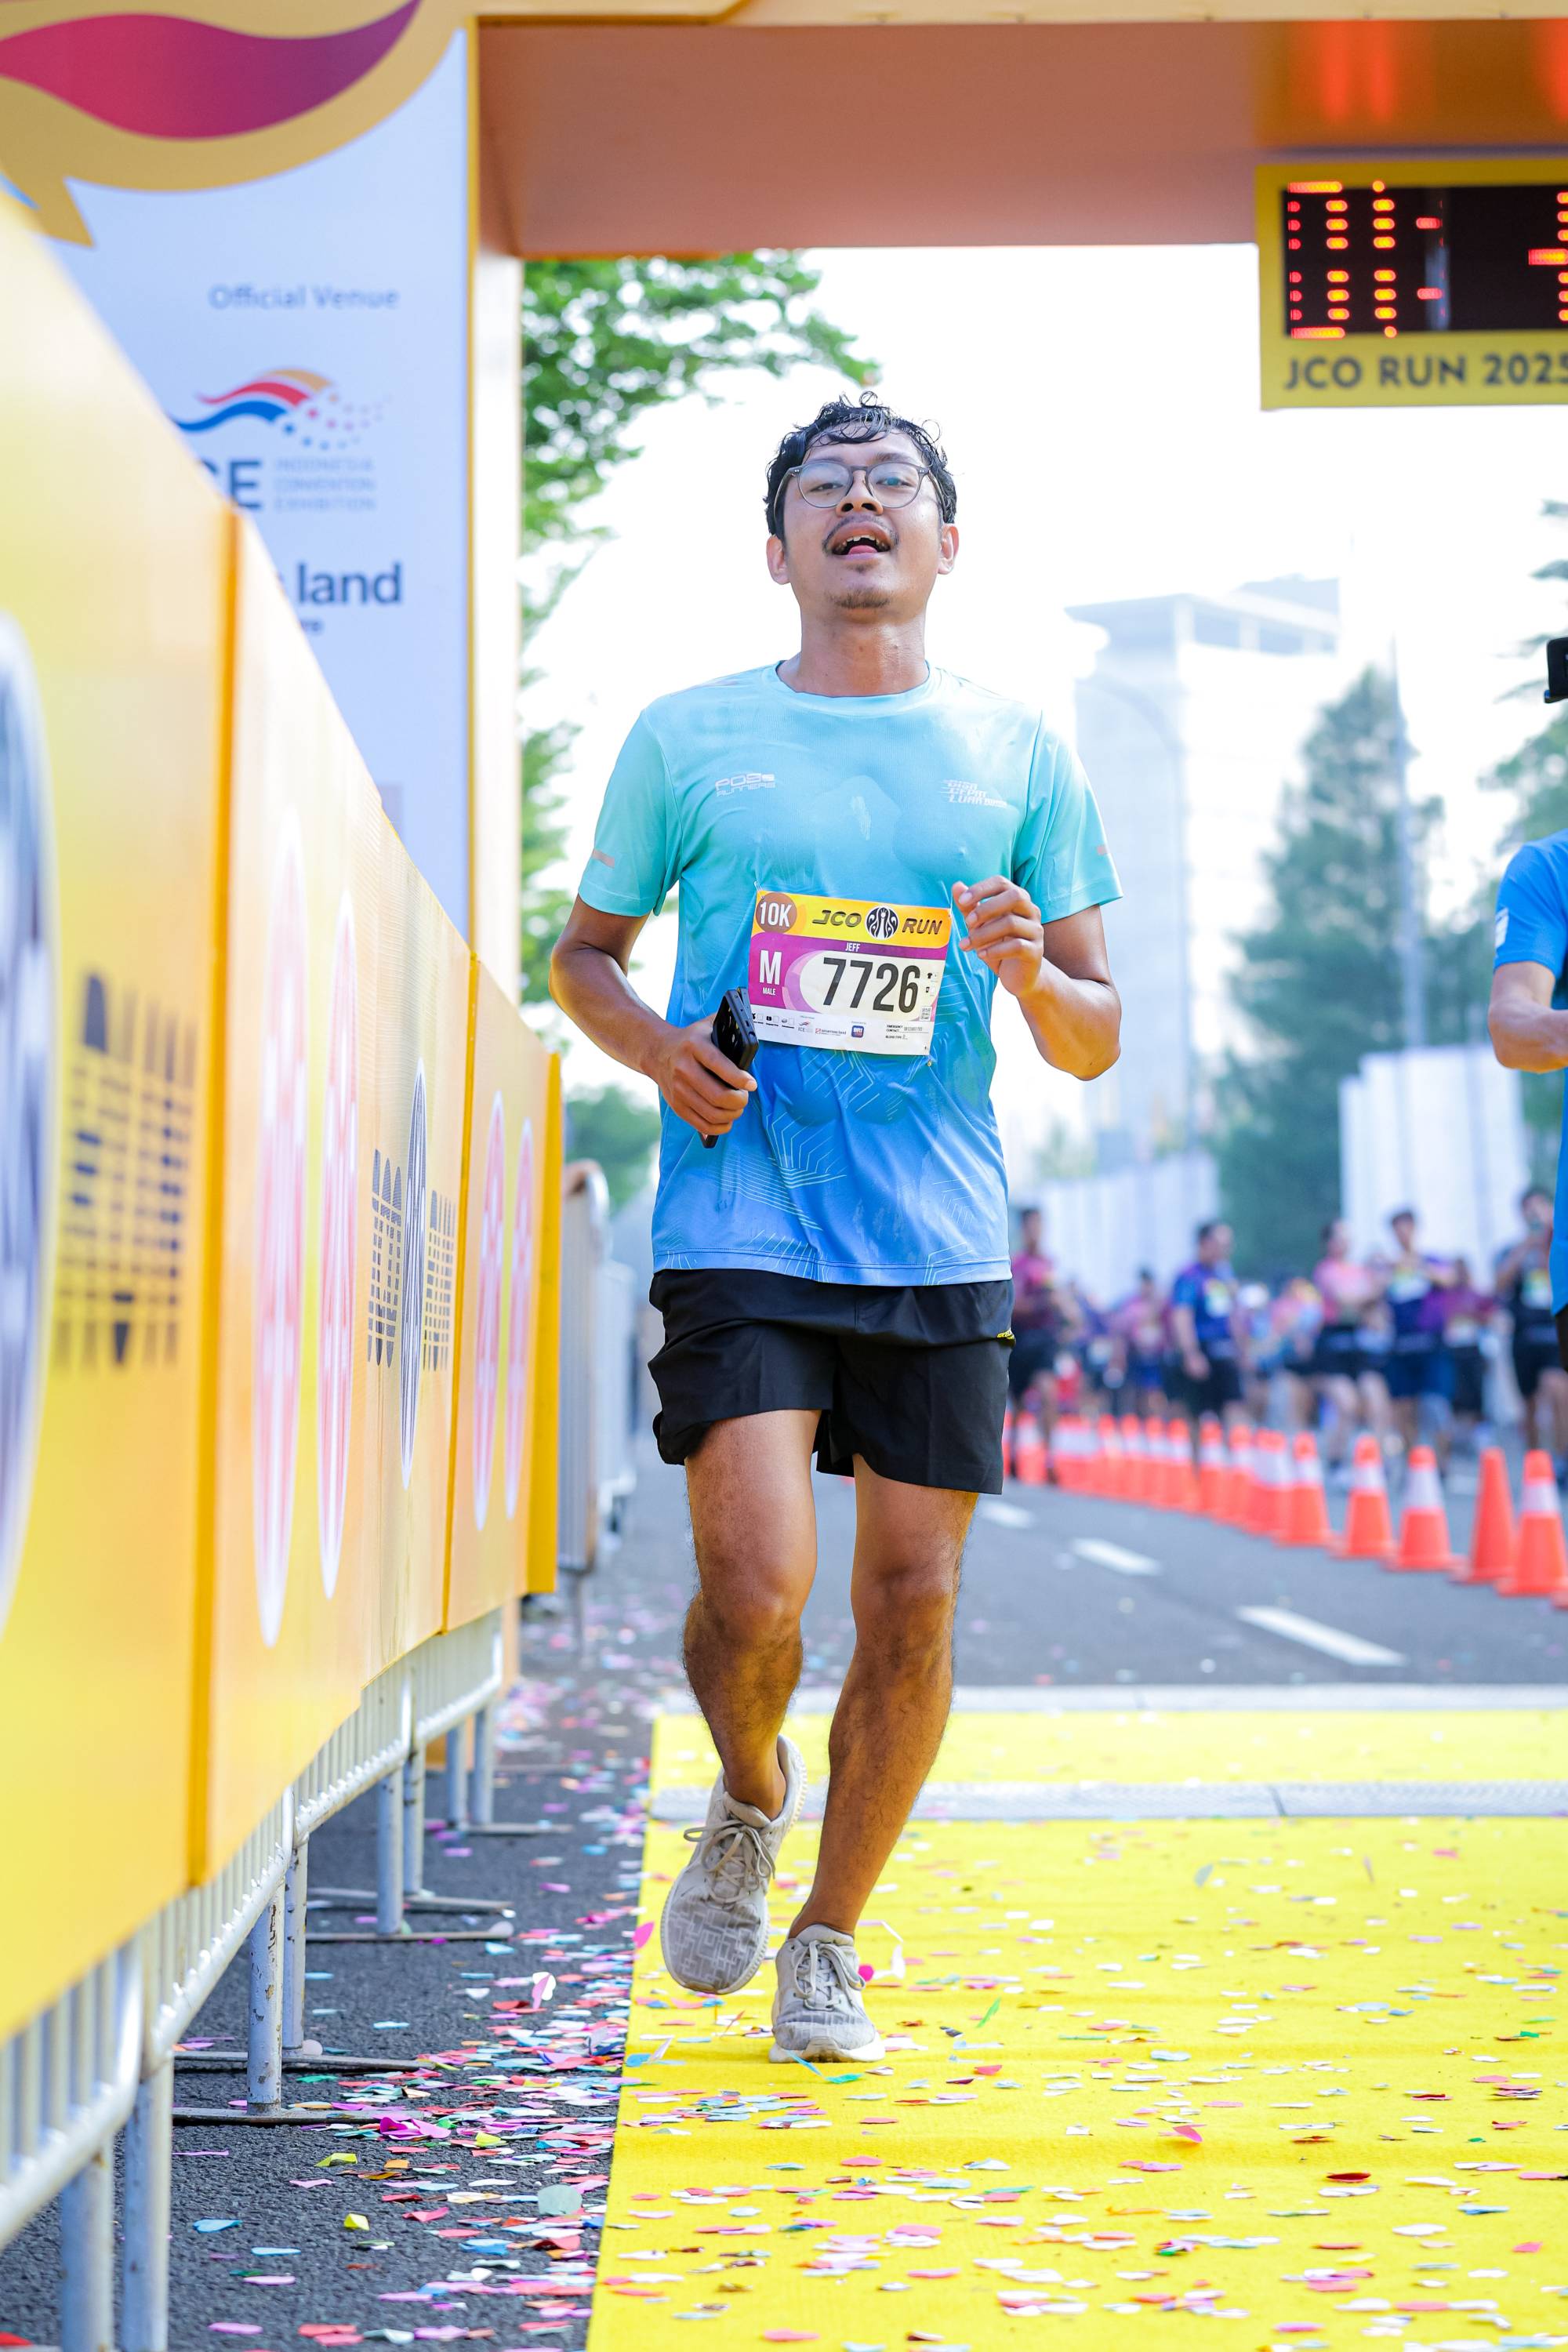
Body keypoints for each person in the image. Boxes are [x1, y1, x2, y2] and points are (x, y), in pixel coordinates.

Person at [549, 395, 1123, 2061]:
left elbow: (1097, 1031)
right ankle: (748, 1790)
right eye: (825, 485)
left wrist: (1029, 974)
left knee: (912, 1600)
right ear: (778, 547)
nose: (858, 503)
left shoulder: (1020, 751)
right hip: (741, 1210)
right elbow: (584, 955)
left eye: (891, 484)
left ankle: (829, 1938)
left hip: (936, 1232)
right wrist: (656, 1048)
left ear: (947, 541)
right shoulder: (688, 736)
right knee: (752, 1587)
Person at [1494, 1189, 1568, 1466]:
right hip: (1524, 1336)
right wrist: (1527, 1245)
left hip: (1555, 1332)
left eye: (1540, 1207)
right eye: (1528, 1209)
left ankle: (1562, 1457)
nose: (1534, 1214)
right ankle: (1535, 1462)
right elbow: (1499, 1285)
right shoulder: (1512, 1250)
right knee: (1530, 1404)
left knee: (1557, 1391)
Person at [1309, 1218, 1390, 1468]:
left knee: (1377, 1401)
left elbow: (1375, 1312)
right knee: (1347, 1406)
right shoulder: (1325, 1271)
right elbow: (1345, 1299)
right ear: (1328, 1242)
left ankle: (1374, 1462)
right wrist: (1375, 1290)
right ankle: (1335, 1460)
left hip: (1359, 1343)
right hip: (1333, 1345)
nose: (1345, 1242)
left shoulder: (1360, 1271)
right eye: (1339, 1237)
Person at [1378, 1207, 1456, 1458]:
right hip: (1401, 1346)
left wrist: (1415, 1263)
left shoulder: (1430, 1260)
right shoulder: (1389, 1269)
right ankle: (1413, 1463)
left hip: (1431, 1345)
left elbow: (1449, 1279)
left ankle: (1442, 1464)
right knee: (1403, 1407)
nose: (1402, 1233)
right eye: (1397, 1229)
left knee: (1436, 1406)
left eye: (1406, 1227)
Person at [1169, 1219, 1246, 1428]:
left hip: (1225, 1349)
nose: (1226, 1250)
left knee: (1233, 1406)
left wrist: (1242, 1349)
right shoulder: (1189, 1276)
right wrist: (1191, 1354)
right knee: (1197, 1413)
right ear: (1205, 1243)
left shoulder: (1223, 1275)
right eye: (1221, 1245)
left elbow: (1230, 1314)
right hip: (1202, 1349)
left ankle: (1231, 1448)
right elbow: (1182, 1316)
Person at [1009, 1205, 1062, 1428]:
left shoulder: (1049, 1263)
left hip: (1044, 1338)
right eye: (1031, 1226)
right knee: (1017, 1402)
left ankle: (1049, 1449)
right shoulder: (1015, 1264)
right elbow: (1013, 1305)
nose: (1035, 1230)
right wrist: (1041, 1304)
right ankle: (1013, 1447)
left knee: (1048, 1394)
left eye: (1039, 1225)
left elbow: (1057, 1298)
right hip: (1020, 1338)